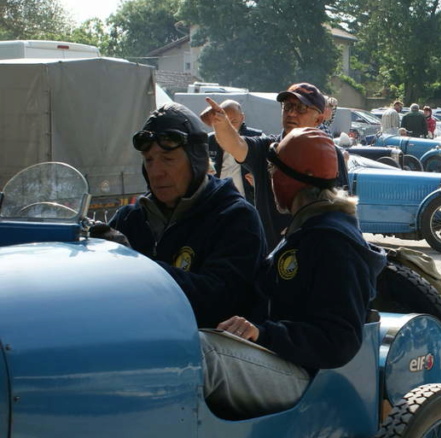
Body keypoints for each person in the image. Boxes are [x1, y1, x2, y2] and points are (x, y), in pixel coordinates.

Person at [201, 127, 386, 419]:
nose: (269, 178)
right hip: (281, 359)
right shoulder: (308, 229)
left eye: (273, 170)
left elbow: (340, 339)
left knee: (200, 357)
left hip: (309, 376)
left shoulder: (333, 241)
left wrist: (263, 332)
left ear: (293, 178)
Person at [106, 103, 266, 328]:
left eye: (168, 159)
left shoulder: (235, 218)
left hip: (205, 352)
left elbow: (220, 302)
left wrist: (136, 265)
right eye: (149, 160)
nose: (156, 172)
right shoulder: (129, 219)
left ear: (196, 160)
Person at [203, 82, 348, 249]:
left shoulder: (330, 154)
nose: (292, 113)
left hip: (314, 253)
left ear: (319, 119)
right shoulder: (267, 148)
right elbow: (235, 145)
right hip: (270, 258)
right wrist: (220, 123)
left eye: (301, 108)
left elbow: (342, 208)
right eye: (287, 106)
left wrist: (305, 228)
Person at [206, 98, 261, 201]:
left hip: (248, 199)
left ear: (242, 118)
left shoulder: (257, 138)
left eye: (234, 121)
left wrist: (259, 179)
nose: (229, 125)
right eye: (225, 120)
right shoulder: (209, 140)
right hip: (217, 199)